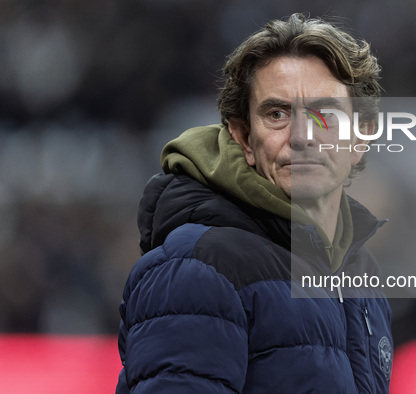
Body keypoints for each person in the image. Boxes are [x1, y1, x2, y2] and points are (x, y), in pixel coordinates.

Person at [116, 13, 393, 393]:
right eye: (277, 114)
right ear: (244, 138)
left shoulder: (360, 272)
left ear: (361, 140)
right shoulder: (199, 268)